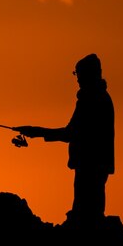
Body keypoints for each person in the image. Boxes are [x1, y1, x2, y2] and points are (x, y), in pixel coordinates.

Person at [13, 53, 115, 230]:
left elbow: (72, 133)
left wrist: (37, 132)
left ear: (90, 74)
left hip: (90, 164)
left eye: (79, 74)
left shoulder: (91, 99)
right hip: (95, 164)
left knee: (86, 216)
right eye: (76, 73)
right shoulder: (99, 97)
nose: (77, 79)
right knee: (89, 212)